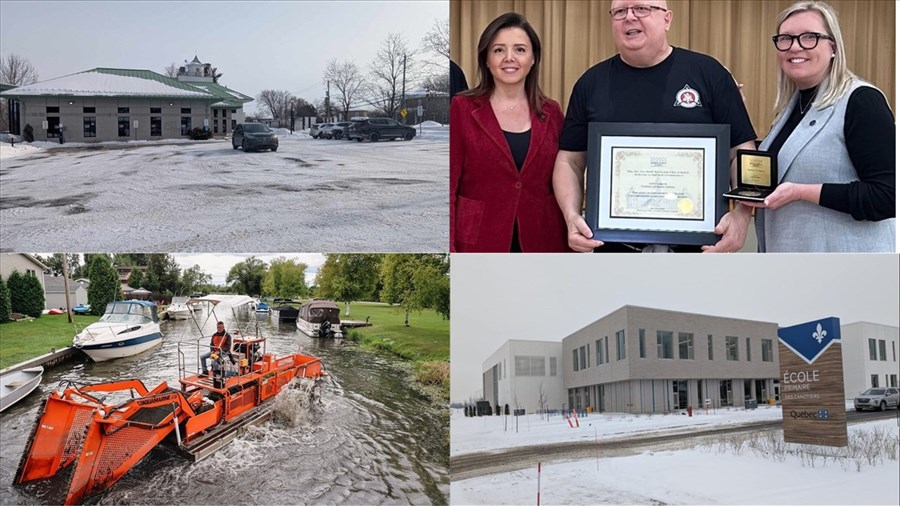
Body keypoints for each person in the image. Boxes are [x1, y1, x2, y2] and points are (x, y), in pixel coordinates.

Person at [553, 0, 757, 253]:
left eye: (641, 8)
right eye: (619, 12)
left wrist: (742, 213)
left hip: (699, 251)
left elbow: (742, 152)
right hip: (616, 250)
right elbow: (570, 161)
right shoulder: (590, 83)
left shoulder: (709, 73)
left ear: (667, 19)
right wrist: (572, 216)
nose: (629, 17)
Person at [743, 1, 895, 252]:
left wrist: (801, 192)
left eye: (809, 37)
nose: (795, 46)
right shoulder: (794, 106)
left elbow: (888, 196)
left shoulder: (861, 101)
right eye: (786, 38)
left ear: (833, 47)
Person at [450, 12, 568, 252]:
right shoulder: (462, 108)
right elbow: (450, 186)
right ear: (486, 59)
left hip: (543, 241)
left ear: (533, 58)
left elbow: (565, 178)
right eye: (499, 50)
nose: (509, 58)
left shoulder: (552, 112)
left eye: (520, 50)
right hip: (480, 241)